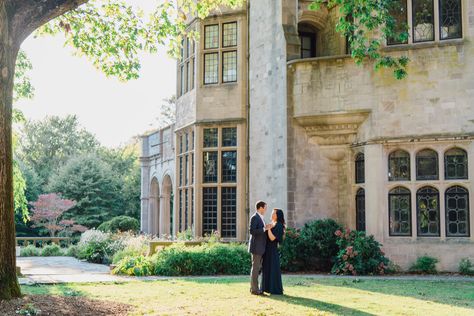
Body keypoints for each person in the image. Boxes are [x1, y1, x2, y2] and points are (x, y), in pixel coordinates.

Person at [248, 200, 273, 295]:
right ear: (261, 208)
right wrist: (264, 228)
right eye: (265, 208)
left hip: (261, 247)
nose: (266, 210)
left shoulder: (261, 218)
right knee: (255, 268)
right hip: (256, 247)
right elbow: (252, 231)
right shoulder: (254, 217)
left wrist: (266, 228)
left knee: (257, 268)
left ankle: (254, 288)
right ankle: (254, 289)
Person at [262, 208, 285, 295]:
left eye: (274, 213)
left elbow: (272, 238)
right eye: (272, 213)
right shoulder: (272, 224)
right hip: (267, 250)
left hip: (272, 250)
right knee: (267, 269)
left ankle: (274, 289)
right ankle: (267, 288)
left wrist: (268, 229)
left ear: (278, 215)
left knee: (273, 269)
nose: (272, 214)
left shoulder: (279, 225)